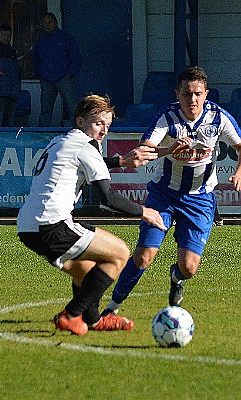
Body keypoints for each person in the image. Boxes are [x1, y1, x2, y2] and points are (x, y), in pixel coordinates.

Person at [17, 94, 166, 336]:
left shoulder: (60, 141)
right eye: (98, 123)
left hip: (28, 226)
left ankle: (94, 320)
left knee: (84, 270)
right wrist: (144, 212)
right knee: (120, 254)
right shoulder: (86, 147)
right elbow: (108, 199)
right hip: (52, 225)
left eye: (107, 125)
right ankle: (71, 315)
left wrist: (118, 161)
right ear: (80, 121)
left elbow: (83, 163)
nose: (104, 130)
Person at [102, 66, 241, 316]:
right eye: (187, 94)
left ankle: (176, 278)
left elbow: (240, 145)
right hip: (164, 195)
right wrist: (169, 149)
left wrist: (239, 171)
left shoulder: (218, 117)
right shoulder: (167, 117)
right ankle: (112, 309)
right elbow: (145, 149)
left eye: (198, 93)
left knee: (188, 268)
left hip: (200, 200)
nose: (192, 100)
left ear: (206, 93)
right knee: (144, 256)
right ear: (177, 94)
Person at [33, 12, 81, 127]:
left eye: (50, 22)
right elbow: (35, 58)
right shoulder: (41, 40)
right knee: (45, 109)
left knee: (73, 107)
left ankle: (76, 132)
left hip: (64, 77)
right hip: (46, 78)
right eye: (45, 23)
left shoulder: (65, 37)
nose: (47, 25)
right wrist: (39, 73)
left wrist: (71, 73)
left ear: (55, 22)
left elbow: (75, 55)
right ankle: (42, 135)